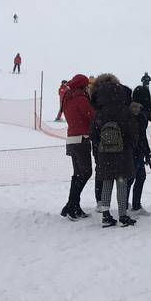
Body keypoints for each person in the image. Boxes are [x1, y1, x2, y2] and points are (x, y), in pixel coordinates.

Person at [91, 73, 139, 227]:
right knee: (121, 183)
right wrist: (129, 145)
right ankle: (123, 216)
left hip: (105, 153)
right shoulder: (125, 111)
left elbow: (93, 133)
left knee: (106, 183)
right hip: (123, 152)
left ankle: (106, 215)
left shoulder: (100, 112)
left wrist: (101, 145)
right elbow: (133, 132)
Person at [60, 74, 94, 220]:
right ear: (83, 85)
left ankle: (73, 205)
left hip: (71, 139)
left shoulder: (68, 98)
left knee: (78, 174)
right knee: (86, 173)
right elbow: (91, 116)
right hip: (82, 139)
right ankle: (71, 206)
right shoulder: (81, 99)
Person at [127, 74, 151, 215]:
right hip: (136, 150)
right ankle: (131, 205)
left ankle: (130, 204)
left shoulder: (131, 110)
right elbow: (141, 135)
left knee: (137, 177)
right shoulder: (140, 113)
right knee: (133, 178)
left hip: (132, 149)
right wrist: (146, 150)